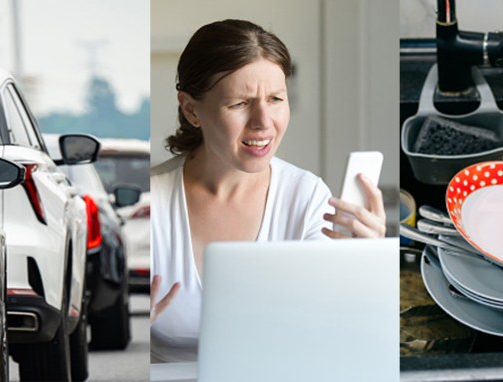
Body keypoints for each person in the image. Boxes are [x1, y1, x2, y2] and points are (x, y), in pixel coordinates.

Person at [151, 19, 386, 363]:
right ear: (191, 110)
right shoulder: (153, 201)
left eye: (276, 99)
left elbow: (333, 338)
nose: (264, 121)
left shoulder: (307, 199)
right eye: (239, 104)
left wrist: (367, 274)